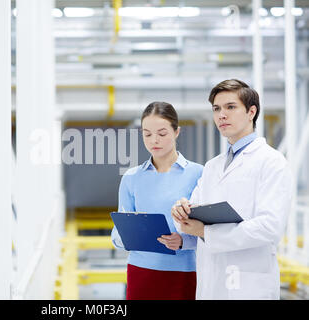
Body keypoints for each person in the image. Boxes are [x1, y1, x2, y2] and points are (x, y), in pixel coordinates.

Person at [170, 79, 292, 300]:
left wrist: (206, 232)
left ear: (251, 112)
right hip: (211, 282)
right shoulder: (212, 166)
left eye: (230, 107)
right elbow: (195, 214)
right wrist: (182, 211)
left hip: (248, 286)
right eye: (216, 109)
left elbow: (270, 226)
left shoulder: (272, 162)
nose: (221, 115)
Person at [111, 101, 203, 300]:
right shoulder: (131, 177)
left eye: (162, 134)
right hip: (140, 271)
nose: (154, 140)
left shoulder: (198, 174)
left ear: (176, 132)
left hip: (184, 272)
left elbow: (209, 231)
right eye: (147, 134)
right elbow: (117, 232)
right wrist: (127, 236)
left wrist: (182, 241)